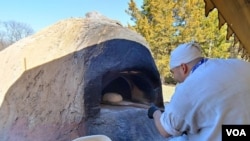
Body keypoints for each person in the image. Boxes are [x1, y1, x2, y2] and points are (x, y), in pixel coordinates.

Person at [147, 42, 250, 140]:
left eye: (172, 72)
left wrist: (155, 112)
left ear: (183, 68)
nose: (173, 77)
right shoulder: (240, 65)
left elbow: (165, 130)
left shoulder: (188, 87)